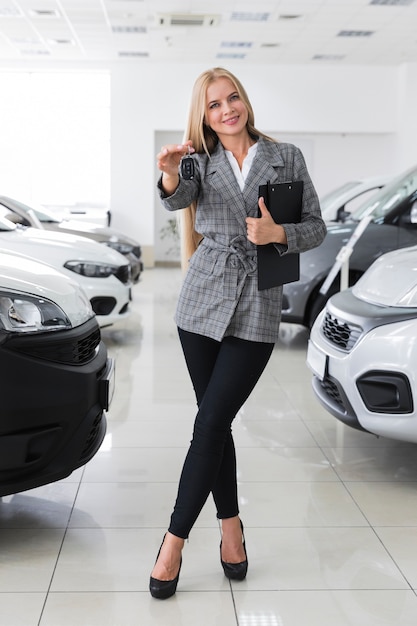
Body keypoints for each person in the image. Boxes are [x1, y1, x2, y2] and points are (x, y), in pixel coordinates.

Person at [150, 67, 326, 600]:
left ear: (244, 101)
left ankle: (173, 542)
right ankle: (231, 529)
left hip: (257, 302)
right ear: (203, 116)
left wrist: (279, 233)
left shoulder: (285, 155)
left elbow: (316, 226)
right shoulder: (199, 160)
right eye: (214, 105)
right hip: (202, 300)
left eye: (233, 99)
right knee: (214, 422)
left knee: (210, 422)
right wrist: (167, 175)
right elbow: (179, 201)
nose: (227, 110)